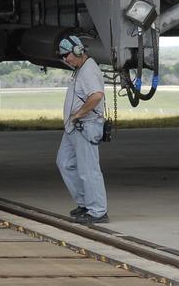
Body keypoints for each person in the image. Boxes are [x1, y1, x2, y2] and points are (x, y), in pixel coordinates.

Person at [57, 34, 109, 224]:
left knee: (89, 169)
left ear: (78, 51)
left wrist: (78, 114)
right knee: (64, 162)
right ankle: (85, 203)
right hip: (73, 127)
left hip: (85, 126)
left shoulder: (89, 70)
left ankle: (98, 211)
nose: (65, 60)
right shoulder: (80, 69)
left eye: (66, 55)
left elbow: (96, 95)